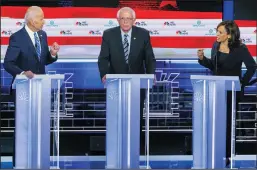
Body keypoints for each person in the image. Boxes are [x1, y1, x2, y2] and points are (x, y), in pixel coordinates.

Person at [3, 6, 60, 167]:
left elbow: (43, 61)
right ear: (32, 20)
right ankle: (20, 163)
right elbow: (8, 63)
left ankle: (39, 161)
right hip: (23, 89)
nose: (44, 21)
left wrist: (53, 54)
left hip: (40, 88)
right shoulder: (17, 37)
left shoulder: (42, 35)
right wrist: (22, 73)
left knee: (39, 126)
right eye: (41, 18)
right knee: (24, 126)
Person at [197, 20, 256, 167]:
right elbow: (214, 67)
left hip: (232, 91)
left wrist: (242, 82)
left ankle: (228, 155)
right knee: (215, 122)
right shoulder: (215, 46)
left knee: (229, 123)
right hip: (216, 90)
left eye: (220, 32)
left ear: (229, 35)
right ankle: (215, 152)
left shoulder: (241, 48)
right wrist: (202, 59)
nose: (216, 34)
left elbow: (252, 66)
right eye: (216, 31)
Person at [98, 7, 156, 154]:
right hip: (115, 83)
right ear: (118, 20)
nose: (125, 21)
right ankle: (115, 147)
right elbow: (103, 57)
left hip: (137, 83)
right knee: (116, 115)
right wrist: (104, 73)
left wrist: (151, 75)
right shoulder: (109, 34)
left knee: (137, 115)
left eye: (128, 18)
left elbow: (149, 57)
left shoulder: (143, 34)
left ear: (134, 20)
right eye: (122, 19)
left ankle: (136, 148)